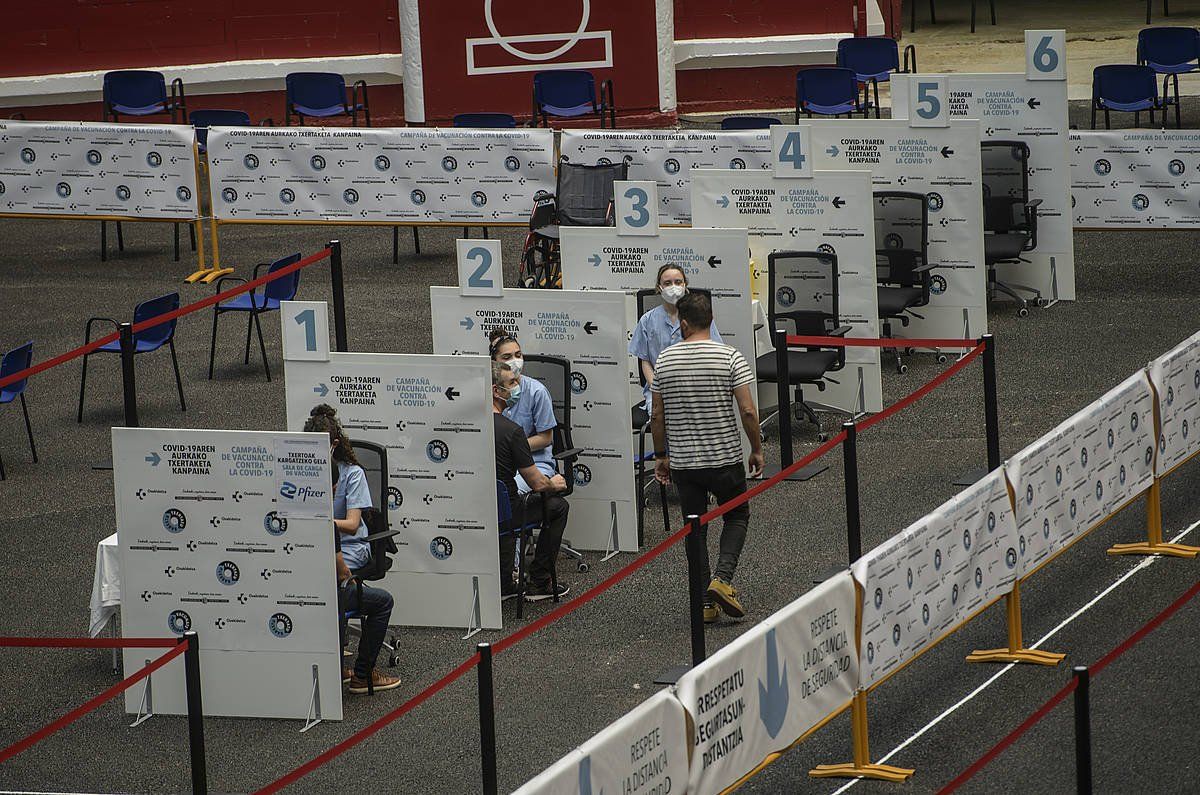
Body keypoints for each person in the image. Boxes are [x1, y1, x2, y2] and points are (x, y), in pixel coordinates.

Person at [650, 292, 763, 624]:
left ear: (682, 323)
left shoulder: (665, 360)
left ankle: (704, 603)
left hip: (685, 464)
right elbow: (747, 410)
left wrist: (661, 456)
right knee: (737, 516)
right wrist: (755, 448)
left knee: (695, 529)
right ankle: (722, 580)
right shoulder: (730, 357)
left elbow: (657, 415)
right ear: (711, 320)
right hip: (725, 459)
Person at [492, 360, 571, 601]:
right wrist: (555, 484)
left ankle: (505, 582)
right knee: (558, 507)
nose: (518, 387)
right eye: (512, 383)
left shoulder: (469, 426)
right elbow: (537, 483)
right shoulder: (512, 431)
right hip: (506, 513)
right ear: (496, 391)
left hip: (478, 510)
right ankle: (539, 581)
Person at [330, 460, 401, 694]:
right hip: (331, 579)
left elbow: (350, 527)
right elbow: (342, 571)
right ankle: (362, 674)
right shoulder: (326, 524)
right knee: (383, 601)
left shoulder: (302, 505)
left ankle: (336, 664)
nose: (334, 489)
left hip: (338, 558)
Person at [629, 264, 723, 425]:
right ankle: (663, 451)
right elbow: (645, 361)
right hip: (660, 390)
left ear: (685, 285)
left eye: (678, 282)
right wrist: (658, 387)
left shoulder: (699, 316)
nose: (673, 287)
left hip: (696, 388)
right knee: (661, 420)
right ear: (659, 288)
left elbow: (714, 353)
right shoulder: (647, 320)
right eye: (667, 283)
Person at [489, 327, 557, 491]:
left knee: (509, 491)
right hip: (500, 465)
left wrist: (513, 449)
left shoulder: (537, 391)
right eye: (507, 357)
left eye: (518, 355)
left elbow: (546, 438)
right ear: (495, 363)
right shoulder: (488, 392)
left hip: (535, 464)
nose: (515, 361)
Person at [304, 404, 371, 571]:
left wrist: (316, 521)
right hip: (315, 546)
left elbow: (352, 525)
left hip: (349, 547)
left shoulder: (353, 474)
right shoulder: (302, 474)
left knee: (321, 571)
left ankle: (347, 589)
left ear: (334, 444)